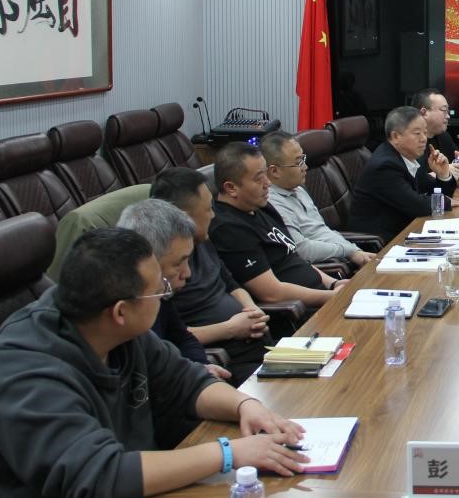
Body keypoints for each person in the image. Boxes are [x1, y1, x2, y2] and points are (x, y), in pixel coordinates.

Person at [0, 228, 306, 498]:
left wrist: (245, 405)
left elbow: (185, 380)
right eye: (159, 290)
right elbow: (102, 475)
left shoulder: (112, 329)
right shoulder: (24, 374)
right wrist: (228, 454)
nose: (165, 296)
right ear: (120, 311)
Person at [150, 167, 272, 385]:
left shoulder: (203, 240)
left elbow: (231, 283)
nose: (214, 215)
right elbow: (167, 337)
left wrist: (252, 310)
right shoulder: (161, 268)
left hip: (259, 346)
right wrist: (231, 329)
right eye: (208, 209)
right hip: (229, 363)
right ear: (183, 218)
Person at [208, 142, 342, 308]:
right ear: (231, 188)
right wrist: (332, 297)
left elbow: (293, 257)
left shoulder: (262, 207)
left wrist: (334, 284)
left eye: (266, 174)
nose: (268, 183)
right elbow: (271, 293)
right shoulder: (229, 230)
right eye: (259, 178)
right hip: (301, 312)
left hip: (324, 296)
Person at [116, 199, 228, 380]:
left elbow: (183, 338)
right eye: (178, 264)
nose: (187, 273)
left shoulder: (162, 295)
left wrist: (202, 367)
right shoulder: (130, 319)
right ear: (148, 260)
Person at [261, 131, 377, 269]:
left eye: (303, 159)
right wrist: (349, 251)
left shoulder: (297, 189)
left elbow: (321, 231)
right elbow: (302, 250)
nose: (305, 167)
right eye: (298, 162)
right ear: (274, 171)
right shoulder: (272, 204)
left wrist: (355, 251)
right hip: (324, 269)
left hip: (341, 256)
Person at [349, 106, 458, 242]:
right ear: (395, 136)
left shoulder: (407, 158)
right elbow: (416, 205)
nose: (424, 139)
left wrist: (443, 174)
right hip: (380, 243)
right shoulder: (385, 166)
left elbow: (434, 191)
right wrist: (446, 201)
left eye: (425, 133)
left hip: (404, 232)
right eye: (417, 133)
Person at [412, 88, 459, 179]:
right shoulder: (409, 141)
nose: (448, 116)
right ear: (424, 112)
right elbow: (410, 179)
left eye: (448, 111)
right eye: (444, 110)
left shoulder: (443, 136)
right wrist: (442, 173)